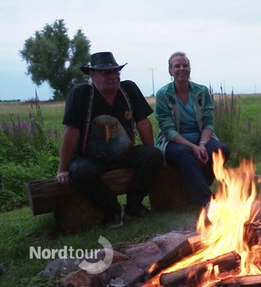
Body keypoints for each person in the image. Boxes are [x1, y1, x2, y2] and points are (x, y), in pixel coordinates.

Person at [56, 51, 163, 228]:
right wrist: (62, 169)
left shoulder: (129, 89)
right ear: (92, 75)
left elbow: (143, 123)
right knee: (80, 172)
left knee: (155, 156)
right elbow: (71, 133)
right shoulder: (81, 95)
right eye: (107, 73)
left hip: (124, 154)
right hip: (90, 158)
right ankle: (112, 209)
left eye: (116, 72)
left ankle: (133, 205)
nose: (113, 77)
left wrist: (150, 152)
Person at [154, 51, 230, 208]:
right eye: (177, 66)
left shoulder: (201, 91)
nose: (181, 68)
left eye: (185, 65)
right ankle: (206, 201)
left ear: (190, 68)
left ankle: (196, 186)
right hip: (173, 140)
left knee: (221, 150)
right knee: (184, 153)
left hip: (201, 137)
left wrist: (202, 144)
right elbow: (168, 130)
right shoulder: (163, 94)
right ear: (170, 71)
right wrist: (194, 147)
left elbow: (209, 122)